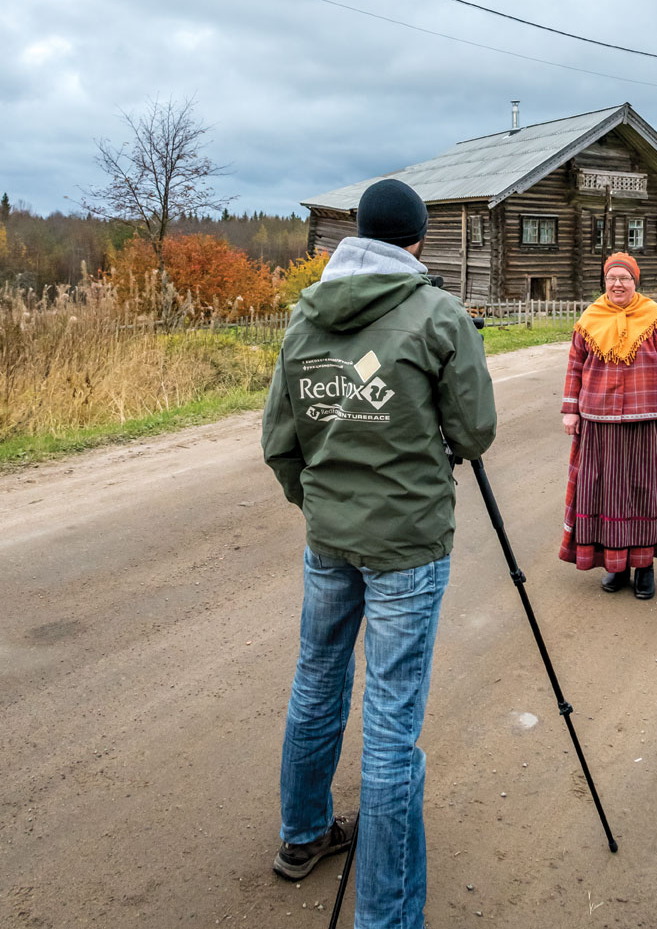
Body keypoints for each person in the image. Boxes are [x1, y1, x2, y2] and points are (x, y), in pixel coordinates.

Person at [262, 178, 497, 929]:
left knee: (317, 678)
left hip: (331, 538)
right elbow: (475, 430)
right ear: (418, 241)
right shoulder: (437, 314)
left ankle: (302, 834)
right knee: (392, 721)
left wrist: (323, 503)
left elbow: (279, 441)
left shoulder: (306, 316)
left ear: (356, 234)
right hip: (406, 546)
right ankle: (387, 914)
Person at [559, 252, 657, 597]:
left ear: (635, 282)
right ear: (604, 282)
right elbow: (574, 366)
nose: (617, 284)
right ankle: (615, 565)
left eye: (624, 278)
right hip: (599, 422)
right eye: (612, 278)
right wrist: (570, 410)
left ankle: (644, 567)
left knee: (643, 492)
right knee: (607, 494)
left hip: (649, 420)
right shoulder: (589, 318)